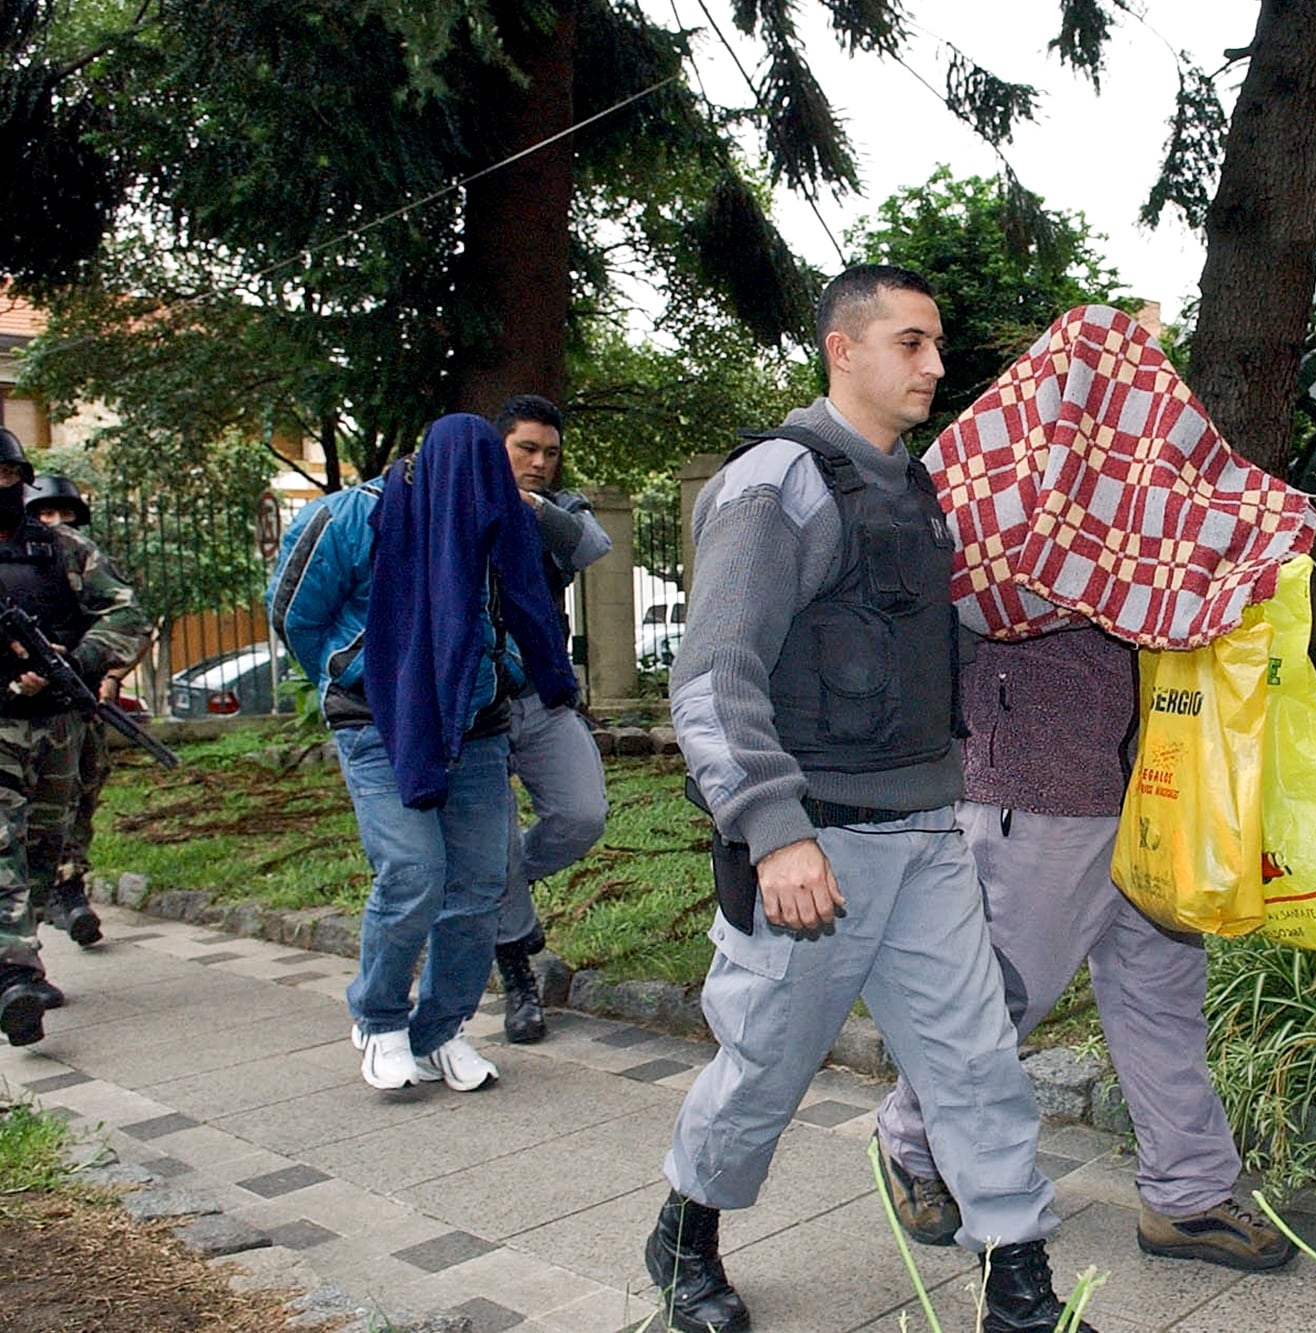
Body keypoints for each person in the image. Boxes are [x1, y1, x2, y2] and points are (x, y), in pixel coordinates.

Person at [649, 265, 1091, 1333]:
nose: (935, 366)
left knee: (974, 1058)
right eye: (910, 343)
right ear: (841, 349)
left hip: (928, 830)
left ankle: (1018, 1283)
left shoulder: (919, 491)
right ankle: (684, 1235)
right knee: (765, 1063)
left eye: (936, 345)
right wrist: (772, 830)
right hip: (817, 848)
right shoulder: (775, 485)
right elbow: (712, 680)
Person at [872, 626, 1295, 1272]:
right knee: (1001, 993)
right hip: (1042, 769)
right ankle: (912, 1140)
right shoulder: (1007, 518)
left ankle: (1186, 1192)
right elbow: (985, 587)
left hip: (1163, 766)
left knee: (1163, 994)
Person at [269, 415, 576, 1093]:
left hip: (478, 725)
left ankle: (440, 1028)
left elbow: (528, 608)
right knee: (413, 871)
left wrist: (512, 667)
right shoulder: (353, 518)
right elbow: (295, 613)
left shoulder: (499, 521)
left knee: (477, 885)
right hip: (378, 723)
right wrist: (360, 669)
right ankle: (379, 1018)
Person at [0, 436, 147, 1044]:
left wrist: (81, 658)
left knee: (45, 845)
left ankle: (23, 956)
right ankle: (14, 975)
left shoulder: (59, 549)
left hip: (59, 722)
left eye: (9, 474)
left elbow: (127, 612)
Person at [488, 393, 611, 1044]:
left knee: (582, 814)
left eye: (550, 452)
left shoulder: (558, 511)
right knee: (494, 835)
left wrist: (526, 505)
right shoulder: (459, 505)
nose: (540, 462)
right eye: (525, 449)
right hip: (473, 707)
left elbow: (591, 545)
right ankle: (518, 981)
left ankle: (498, 885)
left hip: (542, 693)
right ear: (495, 447)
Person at [24, 474, 115, 953]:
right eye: (44, 514)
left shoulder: (82, 558)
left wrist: (101, 674)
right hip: (22, 709)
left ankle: (68, 883)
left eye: (63, 514)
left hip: (79, 705)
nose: (54, 523)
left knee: (78, 798)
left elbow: (123, 621)